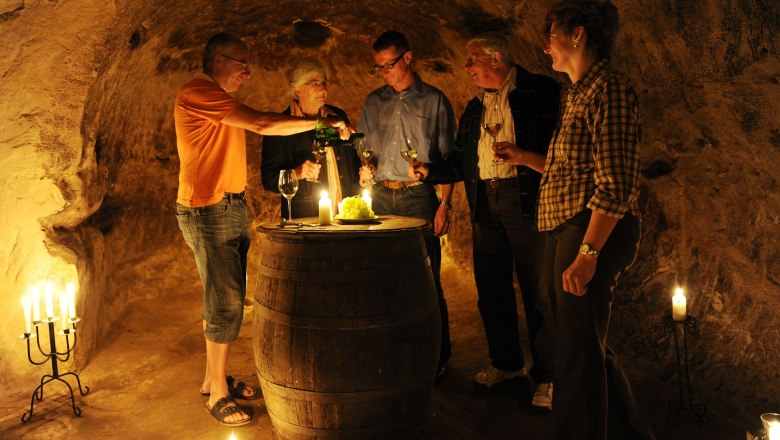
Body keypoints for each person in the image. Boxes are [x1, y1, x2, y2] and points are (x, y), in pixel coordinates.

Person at [496, 1, 656, 438]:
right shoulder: (575, 92)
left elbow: (617, 184)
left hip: (590, 228)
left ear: (578, 34)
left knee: (575, 352)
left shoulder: (611, 90)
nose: (546, 47)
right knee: (584, 345)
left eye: (552, 36)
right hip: (567, 225)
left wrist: (587, 252)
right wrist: (525, 157)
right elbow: (571, 167)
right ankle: (630, 431)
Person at [174, 32, 347, 427]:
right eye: (242, 62)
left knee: (225, 296)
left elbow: (262, 123)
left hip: (229, 203)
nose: (248, 70)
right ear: (218, 60)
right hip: (208, 207)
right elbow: (265, 124)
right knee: (226, 302)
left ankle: (211, 379)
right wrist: (318, 121)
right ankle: (218, 393)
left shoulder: (222, 101)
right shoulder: (198, 92)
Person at [411, 32, 560, 410]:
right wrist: (430, 172)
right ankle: (507, 363)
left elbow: (561, 150)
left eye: (472, 59)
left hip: (525, 198)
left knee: (537, 290)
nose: (466, 67)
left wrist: (524, 155)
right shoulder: (476, 108)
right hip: (485, 201)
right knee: (491, 287)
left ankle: (548, 376)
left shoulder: (538, 91)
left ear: (495, 59)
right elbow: (463, 159)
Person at [358, 30, 455, 385]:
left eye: (391, 64)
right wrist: (365, 168)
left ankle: (438, 358)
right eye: (379, 67)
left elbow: (448, 160)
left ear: (409, 58)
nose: (386, 72)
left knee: (426, 279)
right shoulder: (373, 102)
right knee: (384, 278)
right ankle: (393, 354)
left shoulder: (435, 102)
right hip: (383, 196)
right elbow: (363, 150)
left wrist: (444, 205)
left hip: (418, 197)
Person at [261, 58, 361, 218]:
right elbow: (269, 180)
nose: (323, 89)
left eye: (324, 83)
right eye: (315, 83)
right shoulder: (280, 126)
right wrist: (296, 173)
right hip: (306, 218)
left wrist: (362, 172)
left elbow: (351, 163)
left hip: (344, 215)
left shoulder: (337, 116)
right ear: (298, 89)